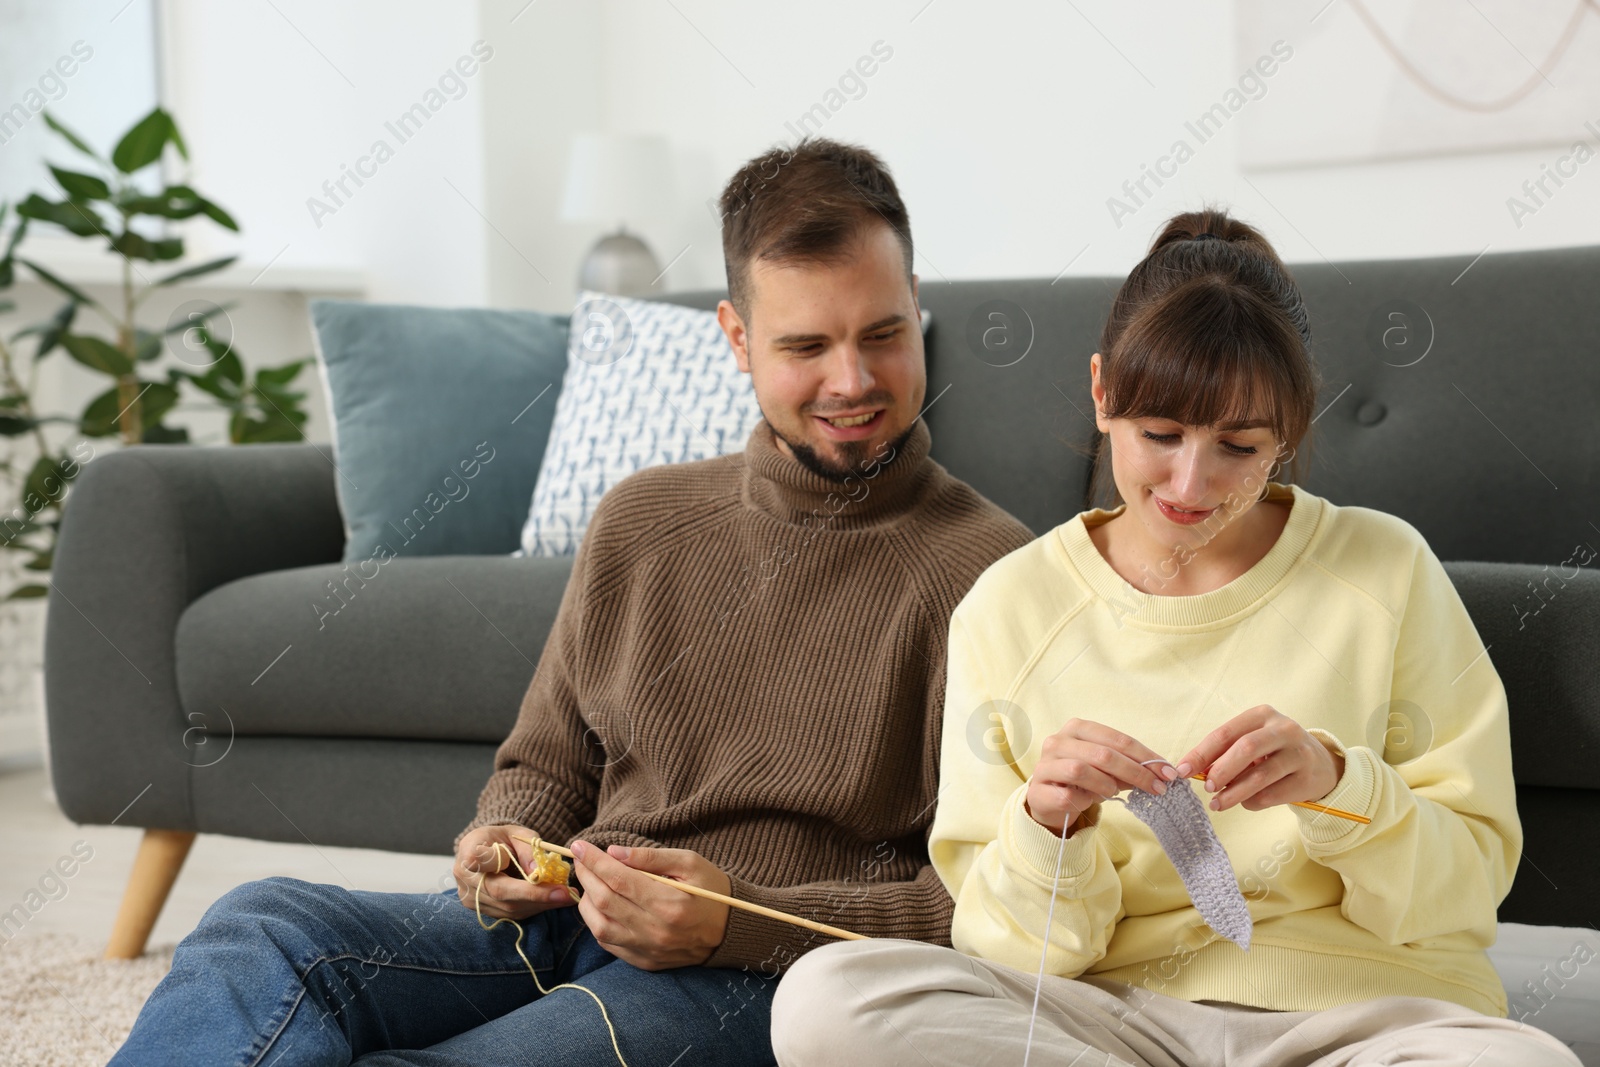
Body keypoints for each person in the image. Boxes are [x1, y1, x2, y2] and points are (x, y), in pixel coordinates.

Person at [109, 138, 1033, 1067]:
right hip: (560, 921)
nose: (852, 380)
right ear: (737, 338)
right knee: (259, 928)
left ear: (917, 310)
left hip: (754, 979)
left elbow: (997, 901)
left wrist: (734, 922)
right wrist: (499, 843)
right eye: (805, 345)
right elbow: (544, 766)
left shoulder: (1000, 574)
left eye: (882, 333)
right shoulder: (642, 518)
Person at [769, 209, 1582, 1067]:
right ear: (1101, 392)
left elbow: (1465, 889)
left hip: (1371, 1017)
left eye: (1239, 445)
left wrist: (1343, 787)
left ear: (1291, 432)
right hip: (1113, 1022)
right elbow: (1010, 952)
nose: (1190, 483)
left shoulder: (1385, 568)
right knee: (828, 1002)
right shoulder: (1011, 605)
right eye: (1160, 435)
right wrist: (1050, 825)